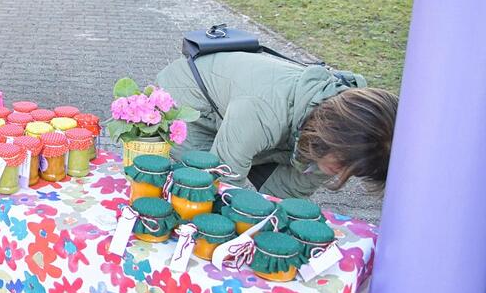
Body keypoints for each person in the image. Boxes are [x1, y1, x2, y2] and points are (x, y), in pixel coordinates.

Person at [155, 51, 398, 199]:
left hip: (253, 125)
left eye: (353, 173)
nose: (342, 174)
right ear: (331, 134)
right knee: (196, 183)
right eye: (344, 165)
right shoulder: (262, 111)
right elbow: (223, 184)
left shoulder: (347, 139)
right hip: (191, 103)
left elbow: (287, 194)